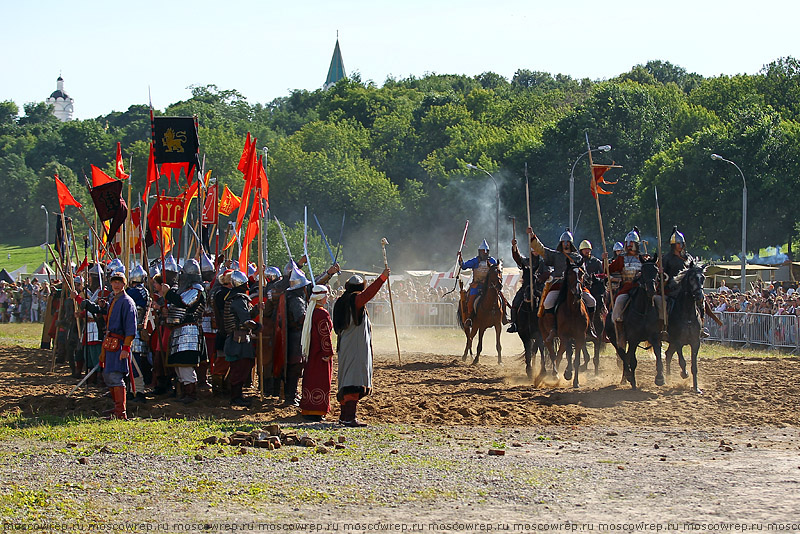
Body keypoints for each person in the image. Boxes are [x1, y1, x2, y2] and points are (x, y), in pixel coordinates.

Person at [332, 269, 389, 427]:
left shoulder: (341, 300)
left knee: (347, 378)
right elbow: (368, 295)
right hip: (353, 345)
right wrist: (382, 278)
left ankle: (344, 416)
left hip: (346, 344)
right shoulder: (353, 299)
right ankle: (349, 418)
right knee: (353, 379)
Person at [530, 227, 597, 342]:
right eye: (564, 242)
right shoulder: (555, 255)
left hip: (575, 286)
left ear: (571, 243)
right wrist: (532, 236)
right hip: (559, 285)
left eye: (567, 242)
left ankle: (589, 328)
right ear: (561, 243)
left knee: (592, 301)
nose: (565, 244)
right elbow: (541, 249)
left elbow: (583, 272)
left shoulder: (577, 257)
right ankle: (553, 329)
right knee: (548, 303)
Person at [161, 259, 206, 403]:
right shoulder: (185, 289)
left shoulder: (197, 289)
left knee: (185, 363)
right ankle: (181, 392)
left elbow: (183, 302)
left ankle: (190, 394)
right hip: (179, 330)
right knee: (178, 363)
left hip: (189, 331)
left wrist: (168, 293)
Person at [606, 227, 655, 346]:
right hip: (627, 288)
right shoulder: (621, 258)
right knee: (618, 305)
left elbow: (651, 270)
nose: (629, 245)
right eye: (627, 243)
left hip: (642, 288)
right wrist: (605, 261)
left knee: (657, 304)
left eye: (631, 243)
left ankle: (657, 331)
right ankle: (621, 333)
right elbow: (609, 270)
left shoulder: (644, 258)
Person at [99, 269, 137, 420]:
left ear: (124, 284)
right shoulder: (114, 300)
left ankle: (121, 413)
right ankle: (116, 408)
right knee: (108, 375)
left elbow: (130, 328)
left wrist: (126, 348)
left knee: (115, 376)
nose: (115, 284)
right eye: (114, 281)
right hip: (110, 343)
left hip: (119, 344)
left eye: (119, 282)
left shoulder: (127, 302)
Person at [222, 270, 261, 407]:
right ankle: (235, 397)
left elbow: (247, 315)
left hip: (238, 337)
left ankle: (237, 395)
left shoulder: (233, 297)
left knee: (243, 366)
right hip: (239, 339)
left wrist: (256, 309)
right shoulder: (239, 299)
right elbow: (245, 321)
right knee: (240, 367)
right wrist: (259, 327)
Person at [299, 285, 334, 421]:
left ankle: (307, 408)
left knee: (310, 378)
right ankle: (316, 410)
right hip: (319, 354)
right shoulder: (322, 314)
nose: (327, 298)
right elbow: (324, 335)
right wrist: (328, 352)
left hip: (311, 350)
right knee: (320, 380)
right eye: (326, 295)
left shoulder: (311, 311)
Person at [457, 240, 507, 327]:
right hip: (477, 285)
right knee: (470, 300)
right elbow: (464, 266)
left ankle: (504, 317)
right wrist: (460, 259)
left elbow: (498, 270)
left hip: (490, 286)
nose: (484, 253)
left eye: (486, 251)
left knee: (502, 299)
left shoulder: (492, 260)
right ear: (479, 252)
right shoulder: (475, 261)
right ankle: (470, 318)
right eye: (482, 251)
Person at [507, 233, 541, 333]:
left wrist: (539, 279)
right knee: (516, 302)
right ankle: (514, 323)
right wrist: (514, 247)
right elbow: (518, 258)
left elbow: (547, 272)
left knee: (548, 304)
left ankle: (552, 325)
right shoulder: (527, 261)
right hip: (526, 288)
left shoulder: (543, 262)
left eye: (536, 250)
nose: (535, 252)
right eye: (533, 250)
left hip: (539, 287)